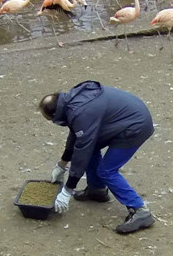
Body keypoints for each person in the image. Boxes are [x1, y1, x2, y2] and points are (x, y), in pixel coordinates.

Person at [39, 80, 155, 234]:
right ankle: (97, 189)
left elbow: (82, 149)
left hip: (136, 126)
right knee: (90, 148)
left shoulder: (81, 112)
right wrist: (62, 164)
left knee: (107, 170)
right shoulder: (72, 101)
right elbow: (76, 136)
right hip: (128, 117)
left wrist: (68, 189)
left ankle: (140, 210)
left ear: (56, 114)